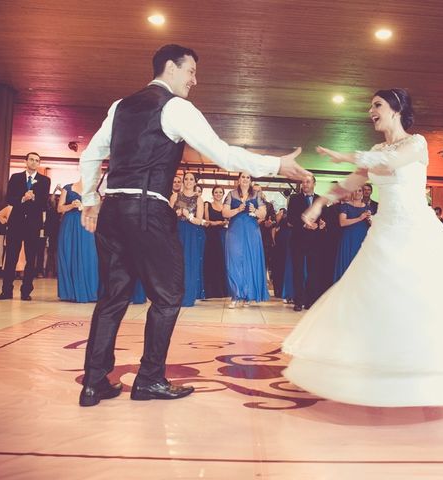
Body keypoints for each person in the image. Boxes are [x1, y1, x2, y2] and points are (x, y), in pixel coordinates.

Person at [282, 88, 443, 407]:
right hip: (384, 232)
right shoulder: (377, 147)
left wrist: (350, 155)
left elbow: (393, 162)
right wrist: (320, 202)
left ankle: (435, 371)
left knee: (424, 296)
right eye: (371, 106)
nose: (371, 110)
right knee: (374, 297)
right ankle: (380, 372)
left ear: (395, 109)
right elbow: (352, 181)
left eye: (377, 105)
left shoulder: (416, 143)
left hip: (415, 230)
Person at [78, 44, 307, 407]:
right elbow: (222, 153)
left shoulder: (120, 106)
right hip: (147, 209)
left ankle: (93, 384)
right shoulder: (175, 107)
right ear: (171, 68)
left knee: (112, 297)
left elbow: (91, 154)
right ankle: (149, 380)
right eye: (191, 72)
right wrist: (276, 165)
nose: (194, 81)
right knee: (169, 296)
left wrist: (90, 200)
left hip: (113, 209)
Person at [0, 152, 51, 301]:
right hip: (16, 223)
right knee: (11, 258)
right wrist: (22, 198)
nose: (34, 162)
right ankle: (6, 291)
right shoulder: (15, 177)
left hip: (33, 224)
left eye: (37, 160)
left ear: (39, 164)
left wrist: (34, 198)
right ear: (26, 161)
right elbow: (9, 198)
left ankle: (26, 291)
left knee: (30, 258)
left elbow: (45, 203)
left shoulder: (45, 180)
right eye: (31, 160)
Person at [223, 173, 270, 308]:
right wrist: (237, 209)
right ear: (239, 179)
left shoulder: (257, 195)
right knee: (234, 261)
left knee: (250, 261)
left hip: (251, 231)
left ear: (251, 180)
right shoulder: (231, 194)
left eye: (247, 177)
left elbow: (263, 214)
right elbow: (224, 213)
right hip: (235, 231)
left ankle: (248, 295)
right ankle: (235, 295)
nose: (245, 179)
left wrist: (255, 210)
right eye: (242, 177)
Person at [287, 174, 326, 311]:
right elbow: (291, 218)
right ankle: (298, 301)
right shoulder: (294, 199)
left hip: (315, 241)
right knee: (298, 271)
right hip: (298, 239)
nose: (305, 184)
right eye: (303, 182)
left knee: (313, 271)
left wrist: (322, 224)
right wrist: (304, 225)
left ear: (314, 183)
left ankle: (310, 301)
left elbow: (324, 217)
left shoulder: (320, 199)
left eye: (308, 182)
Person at [56, 180, 99, 302]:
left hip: (86, 224)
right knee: (68, 253)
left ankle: (89, 291)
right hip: (69, 223)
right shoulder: (67, 187)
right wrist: (71, 206)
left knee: (88, 255)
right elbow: (59, 208)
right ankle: (69, 293)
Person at [171, 174, 207, 306]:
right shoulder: (175, 196)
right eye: (186, 179)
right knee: (176, 264)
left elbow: (200, 221)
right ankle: (174, 296)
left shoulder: (198, 199)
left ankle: (188, 297)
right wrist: (175, 214)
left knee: (189, 263)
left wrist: (189, 216)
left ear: (195, 182)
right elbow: (167, 217)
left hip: (191, 233)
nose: (188, 181)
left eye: (191, 179)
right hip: (177, 232)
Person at [333, 186, 370, 282]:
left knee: (361, 263)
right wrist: (359, 218)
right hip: (349, 238)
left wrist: (370, 219)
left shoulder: (368, 207)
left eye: (359, 190)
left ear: (362, 193)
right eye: (355, 190)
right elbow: (342, 222)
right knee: (348, 263)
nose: (357, 192)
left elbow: (373, 225)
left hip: (362, 238)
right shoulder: (345, 206)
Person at [203, 185, 229, 299]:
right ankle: (211, 291)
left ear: (223, 194)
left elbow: (229, 221)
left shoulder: (225, 207)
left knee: (223, 261)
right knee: (211, 262)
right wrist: (218, 223)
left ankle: (223, 290)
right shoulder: (207, 204)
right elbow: (207, 221)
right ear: (212, 194)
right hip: (211, 236)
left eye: (220, 192)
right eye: (216, 192)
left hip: (224, 236)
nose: (218, 194)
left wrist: (224, 224)